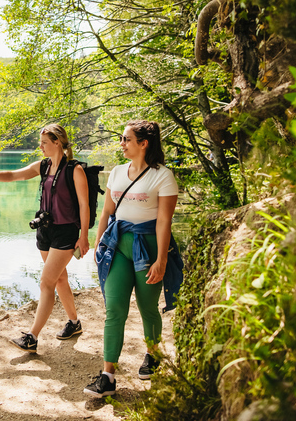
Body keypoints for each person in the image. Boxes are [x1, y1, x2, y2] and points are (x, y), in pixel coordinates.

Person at [0, 124, 90, 353]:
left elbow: (83, 204)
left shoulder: (75, 169)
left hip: (66, 232)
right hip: (45, 229)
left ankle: (32, 337)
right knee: (60, 279)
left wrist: (84, 236)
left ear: (57, 142)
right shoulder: (43, 166)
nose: (40, 147)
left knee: (46, 282)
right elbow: (13, 175)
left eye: (44, 143)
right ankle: (74, 323)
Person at [83, 120, 179, 398]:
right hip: (118, 246)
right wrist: (99, 243)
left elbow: (164, 221)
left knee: (148, 307)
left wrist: (161, 259)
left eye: (126, 139)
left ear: (143, 143)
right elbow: (106, 213)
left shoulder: (162, 176)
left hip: (148, 247)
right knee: (114, 309)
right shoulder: (117, 172)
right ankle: (108, 375)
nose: (121, 144)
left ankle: (153, 355)